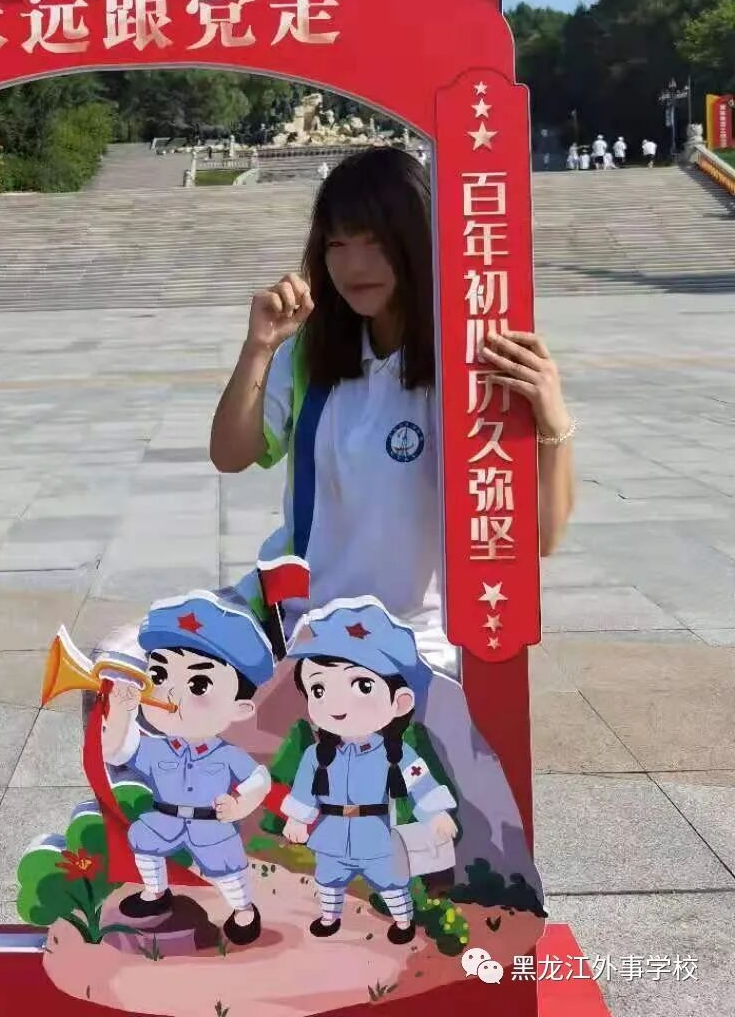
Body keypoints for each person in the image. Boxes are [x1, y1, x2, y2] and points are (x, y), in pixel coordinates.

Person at [209, 145, 575, 671]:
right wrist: (259, 347)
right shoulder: (312, 351)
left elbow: (540, 537)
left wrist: (553, 424)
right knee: (131, 673)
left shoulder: (474, 362)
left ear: (418, 239)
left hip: (418, 640)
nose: (353, 265)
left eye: (375, 241)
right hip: (299, 617)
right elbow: (229, 455)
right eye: (337, 243)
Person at [101, 591, 274, 945]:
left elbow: (260, 778)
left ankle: (243, 910)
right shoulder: (156, 747)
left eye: (198, 684)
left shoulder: (226, 754)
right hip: (164, 817)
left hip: (211, 825)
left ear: (240, 709)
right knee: (144, 840)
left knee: (227, 868)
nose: (169, 695)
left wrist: (241, 804)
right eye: (159, 674)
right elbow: (116, 752)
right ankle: (155, 893)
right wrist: (121, 714)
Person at [282, 599, 457, 941]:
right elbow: (304, 789)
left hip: (376, 832)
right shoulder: (317, 755)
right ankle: (330, 918)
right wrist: (298, 819)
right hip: (332, 829)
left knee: (390, 879)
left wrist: (435, 814)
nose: (335, 703)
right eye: (319, 688)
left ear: (399, 702)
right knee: (328, 876)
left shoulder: (395, 752)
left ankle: (403, 922)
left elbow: (419, 780)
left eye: (362, 686)